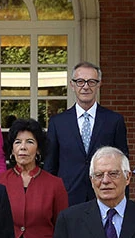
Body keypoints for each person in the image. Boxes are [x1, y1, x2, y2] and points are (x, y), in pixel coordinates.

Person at [44, 62, 129, 206]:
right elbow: (50, 165)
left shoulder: (114, 121)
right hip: (67, 197)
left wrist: (123, 200)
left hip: (105, 196)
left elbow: (123, 164)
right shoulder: (58, 123)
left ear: (99, 84)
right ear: (72, 85)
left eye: (91, 82)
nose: (85, 86)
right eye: (80, 81)